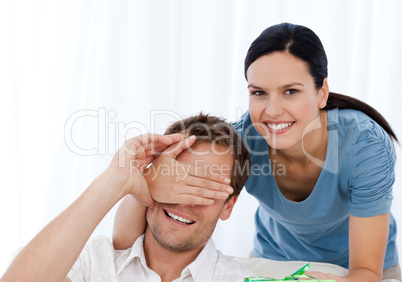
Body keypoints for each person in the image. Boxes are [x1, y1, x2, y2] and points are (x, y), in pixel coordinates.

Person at [112, 23, 400, 281]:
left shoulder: (365, 144)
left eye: (291, 91)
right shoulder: (240, 143)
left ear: (322, 92)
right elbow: (124, 243)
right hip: (274, 263)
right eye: (259, 92)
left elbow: (366, 271)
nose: (272, 111)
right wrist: (147, 180)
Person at [1, 113, 254, 282]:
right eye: (177, 180)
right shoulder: (95, 264)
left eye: (205, 189)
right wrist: (116, 179)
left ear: (228, 206)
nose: (185, 200)